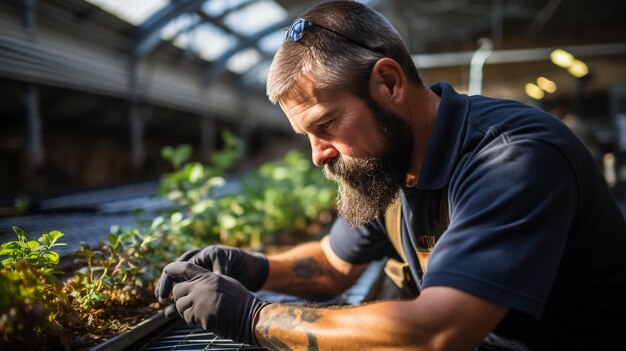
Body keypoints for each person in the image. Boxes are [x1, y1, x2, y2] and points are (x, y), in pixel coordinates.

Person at [155, 1, 626, 350]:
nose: (317, 155)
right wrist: (249, 267)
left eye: (325, 125)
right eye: (305, 135)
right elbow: (331, 264)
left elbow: (437, 331)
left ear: (389, 83)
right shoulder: (390, 162)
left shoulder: (512, 159)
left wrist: (255, 318)